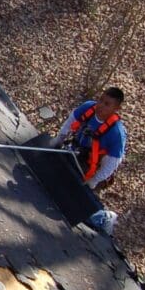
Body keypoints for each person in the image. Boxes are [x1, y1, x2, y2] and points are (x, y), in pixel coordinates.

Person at [52, 86, 126, 235]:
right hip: (75, 152)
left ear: (116, 108)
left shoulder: (116, 133)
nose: (101, 106)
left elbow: (112, 163)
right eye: (101, 100)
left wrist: (94, 180)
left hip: (94, 170)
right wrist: (58, 141)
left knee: (73, 200)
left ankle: (104, 218)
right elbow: (70, 122)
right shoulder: (88, 108)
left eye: (107, 104)